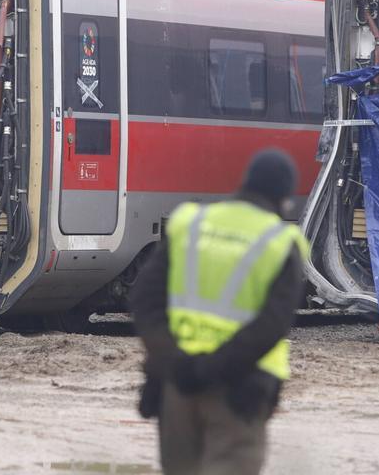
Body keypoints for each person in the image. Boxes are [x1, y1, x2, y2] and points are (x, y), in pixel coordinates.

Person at [129, 148, 309, 475]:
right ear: (283, 198)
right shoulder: (279, 241)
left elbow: (144, 298)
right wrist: (213, 369)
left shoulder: (191, 223)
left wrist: (173, 362)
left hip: (178, 386)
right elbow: (273, 324)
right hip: (239, 390)